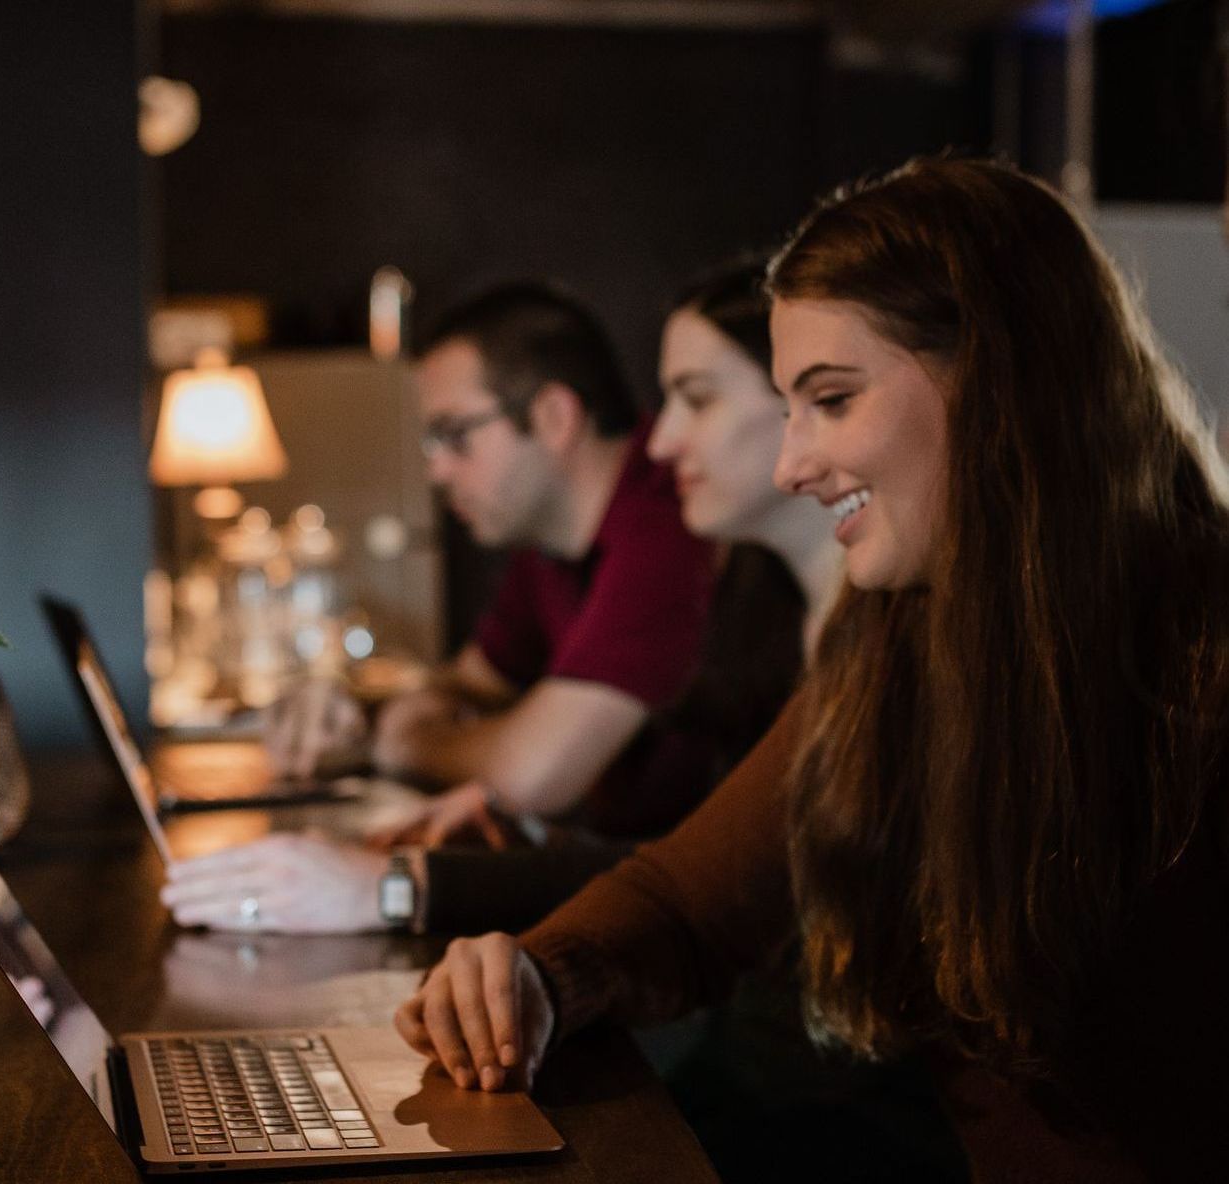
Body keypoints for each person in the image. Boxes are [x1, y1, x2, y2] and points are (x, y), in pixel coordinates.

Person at [395, 156, 1229, 1182]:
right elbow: (691, 896)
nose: (794, 464)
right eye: (789, 408)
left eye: (831, 399)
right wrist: (534, 973)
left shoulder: (1203, 647)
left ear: (1001, 379)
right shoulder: (892, 636)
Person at [162, 260, 844, 935]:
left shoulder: (669, 525)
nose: (434, 470)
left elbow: (531, 776)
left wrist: (403, 761)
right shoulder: (551, 546)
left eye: (454, 435)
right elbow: (467, 686)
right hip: (681, 931)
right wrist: (379, 718)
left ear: (552, 416)